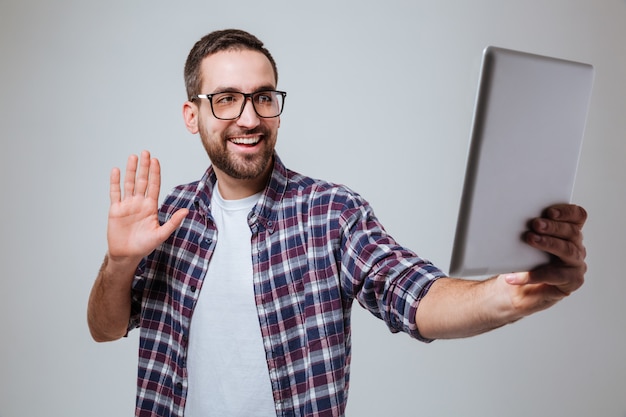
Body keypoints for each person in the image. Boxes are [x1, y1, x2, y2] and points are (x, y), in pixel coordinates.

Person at [87, 29, 587, 417]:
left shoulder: (330, 213)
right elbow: (105, 328)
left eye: (263, 97)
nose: (248, 118)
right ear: (191, 115)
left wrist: (505, 294)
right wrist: (121, 261)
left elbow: (413, 295)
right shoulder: (169, 216)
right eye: (225, 99)